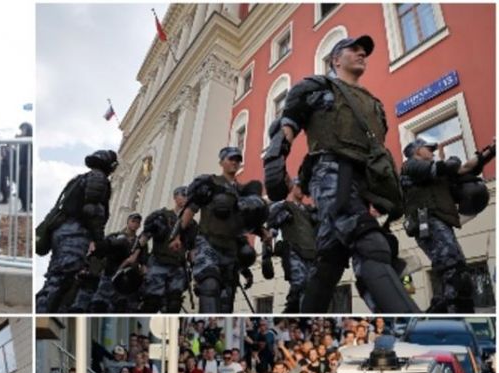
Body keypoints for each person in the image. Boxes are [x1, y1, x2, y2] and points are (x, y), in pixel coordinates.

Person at [265, 35, 419, 313]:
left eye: (365, 52)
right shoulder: (318, 87)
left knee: (329, 261)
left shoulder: (372, 103)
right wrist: (276, 158)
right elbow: (289, 121)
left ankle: (304, 316)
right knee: (371, 244)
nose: (362, 54)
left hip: (364, 182)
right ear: (336, 59)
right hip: (331, 172)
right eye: (354, 50)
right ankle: (408, 321)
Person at [401, 136, 495, 312]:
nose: (432, 151)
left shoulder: (437, 173)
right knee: (453, 270)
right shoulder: (411, 166)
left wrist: (491, 150)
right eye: (428, 148)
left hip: (442, 224)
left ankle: (451, 309)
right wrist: (452, 162)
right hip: (428, 224)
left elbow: (466, 168)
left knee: (459, 273)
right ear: (416, 151)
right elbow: (450, 167)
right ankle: (450, 313)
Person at [178, 147, 268, 313]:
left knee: (227, 300)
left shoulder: (244, 192)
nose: (235, 162)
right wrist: (177, 237)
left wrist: (263, 234)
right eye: (230, 159)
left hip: (231, 250)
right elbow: (190, 210)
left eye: (237, 159)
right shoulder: (210, 183)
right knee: (210, 286)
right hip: (208, 244)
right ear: (221, 162)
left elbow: (248, 223)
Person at [35, 150, 117, 312]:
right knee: (62, 279)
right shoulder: (98, 178)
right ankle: (43, 311)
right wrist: (99, 240)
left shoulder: (80, 178)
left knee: (56, 278)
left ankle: (43, 308)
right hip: (75, 234)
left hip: (62, 232)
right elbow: (92, 210)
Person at [121, 186, 191, 313]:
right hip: (159, 263)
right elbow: (145, 236)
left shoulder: (190, 223)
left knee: (174, 304)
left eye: (188, 196)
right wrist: (134, 255)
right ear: (175, 197)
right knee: (152, 301)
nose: (186, 198)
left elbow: (192, 247)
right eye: (183, 195)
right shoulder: (162, 216)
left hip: (177, 266)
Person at [267, 179, 319, 313]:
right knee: (299, 283)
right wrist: (266, 256)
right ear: (293, 188)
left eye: (303, 187)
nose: (301, 190)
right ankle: (290, 311)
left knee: (309, 290)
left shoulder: (309, 211)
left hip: (311, 253)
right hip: (294, 251)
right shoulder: (285, 206)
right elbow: (271, 227)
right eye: (298, 186)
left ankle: (296, 312)